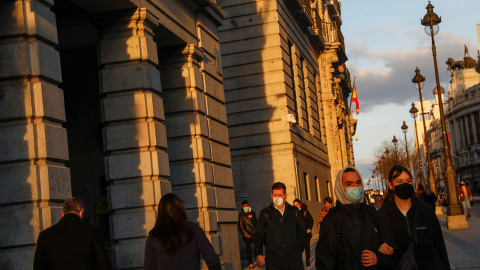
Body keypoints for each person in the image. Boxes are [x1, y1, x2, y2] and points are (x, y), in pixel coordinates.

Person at [315, 167, 393, 270]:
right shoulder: (332, 219)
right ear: (340, 188)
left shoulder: (372, 213)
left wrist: (378, 258)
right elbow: (325, 261)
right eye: (349, 184)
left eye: (358, 182)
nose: (355, 187)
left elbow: (390, 247)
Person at [379, 165, 450, 270]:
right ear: (390, 185)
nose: (405, 184)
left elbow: (439, 246)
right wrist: (380, 247)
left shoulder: (425, 209)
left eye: (408, 181)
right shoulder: (383, 214)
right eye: (399, 181)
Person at [144, 193, 221, 270]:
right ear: (180, 209)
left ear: (160, 213)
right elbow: (213, 261)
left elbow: (149, 267)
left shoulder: (153, 236)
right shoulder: (194, 230)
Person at [33, 197, 110, 270]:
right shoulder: (92, 231)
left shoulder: (45, 235)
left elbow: (38, 267)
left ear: (62, 214)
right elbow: (103, 264)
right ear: (81, 212)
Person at [254, 182, 306, 269]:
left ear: (285, 196)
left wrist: (299, 247)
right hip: (274, 261)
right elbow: (258, 235)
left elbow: (301, 230)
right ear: (271, 195)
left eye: (280, 195)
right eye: (275, 195)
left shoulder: (294, 211)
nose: (277, 197)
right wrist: (258, 253)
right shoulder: (265, 213)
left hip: (293, 259)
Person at [293, 199, 314, 267]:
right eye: (294, 205)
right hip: (298, 234)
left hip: (306, 233)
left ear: (300, 204)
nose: (295, 206)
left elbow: (311, 220)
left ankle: (307, 261)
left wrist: (309, 228)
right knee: (299, 249)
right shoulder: (293, 212)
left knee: (307, 247)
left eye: (297, 205)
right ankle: (299, 262)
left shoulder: (305, 211)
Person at [238, 200, 257, 269]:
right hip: (247, 235)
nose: (246, 207)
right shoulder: (241, 215)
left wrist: (256, 232)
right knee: (248, 249)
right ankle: (250, 262)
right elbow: (241, 226)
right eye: (244, 206)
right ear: (242, 207)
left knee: (256, 248)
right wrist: (246, 234)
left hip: (254, 233)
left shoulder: (253, 213)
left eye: (247, 206)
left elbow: (256, 223)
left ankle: (258, 260)